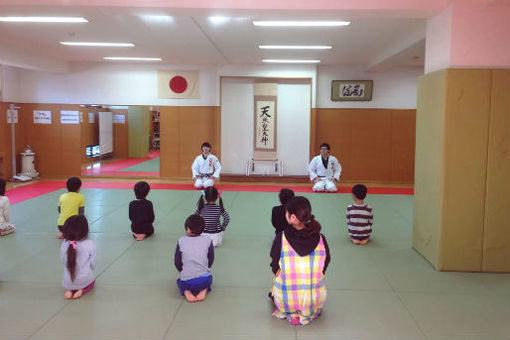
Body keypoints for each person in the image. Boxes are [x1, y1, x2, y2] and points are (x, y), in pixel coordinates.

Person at [270, 196, 331, 325]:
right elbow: (326, 262)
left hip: (286, 301)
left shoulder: (282, 237)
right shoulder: (321, 238)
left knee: (276, 285)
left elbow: (274, 264)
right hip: (315, 301)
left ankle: (291, 311)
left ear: (292, 217)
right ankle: (308, 311)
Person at [174, 214, 214, 302]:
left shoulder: (181, 240)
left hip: (186, 281)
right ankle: (204, 289)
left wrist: (185, 271)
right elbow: (211, 259)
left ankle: (187, 291)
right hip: (204, 280)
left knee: (179, 281)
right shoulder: (208, 240)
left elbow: (177, 262)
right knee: (209, 277)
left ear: (188, 229)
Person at [60, 215, 96, 299]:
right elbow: (92, 263)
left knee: (70, 279)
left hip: (67, 281)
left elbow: (63, 260)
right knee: (92, 282)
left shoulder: (65, 244)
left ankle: (69, 290)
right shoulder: (90, 244)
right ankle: (81, 290)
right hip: (84, 279)